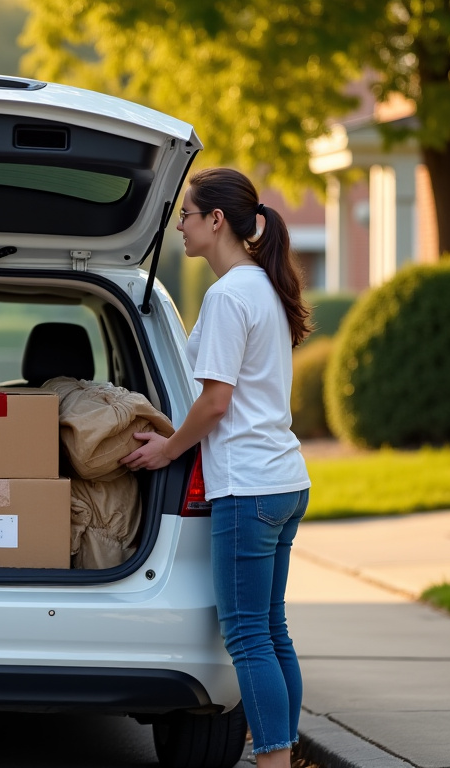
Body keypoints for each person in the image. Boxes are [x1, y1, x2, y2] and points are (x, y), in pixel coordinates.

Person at [122, 167, 312, 768]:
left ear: (216, 221)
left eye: (186, 213)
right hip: (284, 481)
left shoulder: (230, 294)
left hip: (248, 487)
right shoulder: (261, 287)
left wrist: (167, 449)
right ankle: (283, 751)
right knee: (272, 630)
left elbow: (216, 401)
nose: (179, 223)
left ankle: (274, 761)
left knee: (248, 636)